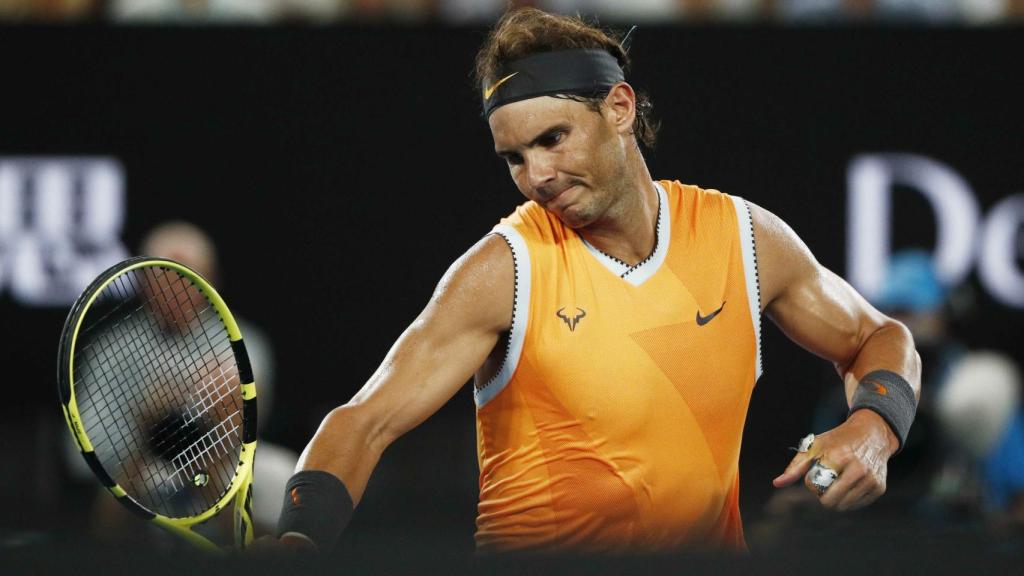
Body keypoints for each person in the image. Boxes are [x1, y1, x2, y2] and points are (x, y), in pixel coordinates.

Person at [270, 7, 921, 555]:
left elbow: (879, 336)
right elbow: (363, 422)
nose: (537, 175)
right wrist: (299, 541)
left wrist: (873, 428)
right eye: (515, 158)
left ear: (619, 108)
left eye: (554, 139)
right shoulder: (503, 270)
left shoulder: (743, 239)